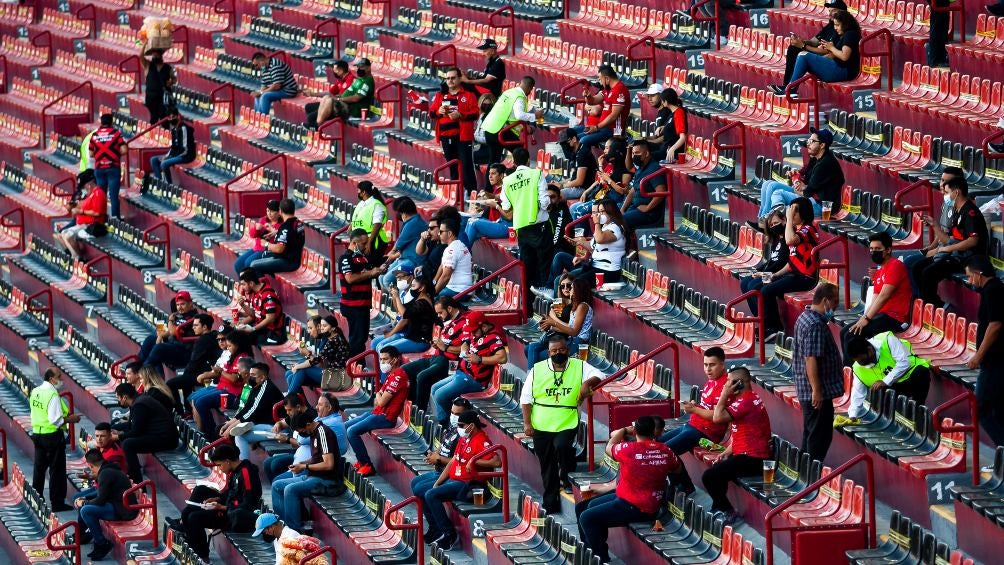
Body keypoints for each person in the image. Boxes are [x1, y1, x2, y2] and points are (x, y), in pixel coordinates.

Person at [576, 416, 679, 562]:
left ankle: (602, 559)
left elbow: (609, 447)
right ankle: (593, 552)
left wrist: (624, 430)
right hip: (640, 500)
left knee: (587, 518)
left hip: (635, 507)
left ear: (635, 430)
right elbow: (677, 469)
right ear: (654, 432)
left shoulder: (628, 450)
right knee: (589, 506)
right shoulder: (665, 450)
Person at [521, 334, 603, 514]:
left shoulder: (579, 365)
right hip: (541, 422)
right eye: (553, 351)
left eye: (561, 350)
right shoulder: (538, 369)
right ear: (548, 352)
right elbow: (525, 399)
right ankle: (550, 503)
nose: (558, 353)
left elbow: (600, 374)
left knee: (562, 446)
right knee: (547, 465)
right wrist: (527, 424)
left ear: (567, 350)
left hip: (567, 418)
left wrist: (587, 383)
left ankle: (567, 477)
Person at [414, 410, 500, 549]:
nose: (458, 427)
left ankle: (449, 534)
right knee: (421, 489)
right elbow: (452, 462)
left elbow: (497, 462)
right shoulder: (463, 439)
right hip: (454, 479)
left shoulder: (482, 441)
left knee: (431, 494)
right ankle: (435, 528)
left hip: (467, 484)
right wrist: (437, 483)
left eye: (461, 425)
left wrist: (474, 461)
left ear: (471, 426)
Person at [701, 367, 773, 524]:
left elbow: (717, 417)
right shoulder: (750, 397)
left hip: (754, 459)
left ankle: (728, 511)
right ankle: (718, 507)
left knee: (710, 477)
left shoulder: (745, 402)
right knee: (718, 471)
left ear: (739, 383)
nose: (726, 385)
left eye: (729, 382)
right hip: (750, 454)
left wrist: (724, 395)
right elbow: (746, 431)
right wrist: (728, 450)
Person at [657, 347, 731, 493]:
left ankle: (685, 486)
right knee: (655, 445)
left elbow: (717, 417)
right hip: (693, 426)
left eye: (712, 365)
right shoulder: (711, 381)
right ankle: (677, 484)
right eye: (705, 365)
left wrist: (694, 410)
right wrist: (694, 406)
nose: (708, 369)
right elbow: (705, 407)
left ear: (722, 365)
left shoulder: (725, 386)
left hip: (706, 434)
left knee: (664, 453)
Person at [173, 443, 260, 562]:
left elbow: (248, 503)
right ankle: (184, 522)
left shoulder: (245, 472)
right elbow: (231, 492)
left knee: (194, 517)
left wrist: (222, 507)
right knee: (199, 491)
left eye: (219, 465)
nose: (219, 468)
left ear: (227, 461)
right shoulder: (234, 471)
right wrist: (217, 499)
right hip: (229, 506)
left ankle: (202, 556)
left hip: (236, 516)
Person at [910, 177, 989, 307]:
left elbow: (973, 241)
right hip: (955, 255)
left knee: (928, 273)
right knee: (917, 268)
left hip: (968, 259)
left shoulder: (970, 212)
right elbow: (949, 240)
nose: (944, 195)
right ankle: (927, 307)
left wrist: (947, 249)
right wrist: (935, 225)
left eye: (946, 193)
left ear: (956, 192)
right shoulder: (956, 212)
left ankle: (938, 308)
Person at [792, 283, 843, 462]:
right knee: (818, 439)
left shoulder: (804, 317)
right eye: (835, 301)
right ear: (825, 301)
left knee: (810, 435)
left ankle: (804, 473)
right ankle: (811, 480)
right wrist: (817, 390)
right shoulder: (815, 325)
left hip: (806, 389)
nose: (836, 306)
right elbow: (811, 358)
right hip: (815, 394)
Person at [271, 411, 344, 531]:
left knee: (290, 490)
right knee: (277, 485)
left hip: (327, 480)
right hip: (313, 476)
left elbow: (328, 464)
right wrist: (302, 463)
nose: (301, 433)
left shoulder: (323, 433)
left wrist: (305, 467)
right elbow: (316, 458)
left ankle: (293, 531)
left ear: (308, 424)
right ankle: (283, 527)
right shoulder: (313, 433)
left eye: (301, 430)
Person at [430, 311, 508, 425]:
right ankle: (445, 423)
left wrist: (480, 359)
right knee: (434, 389)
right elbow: (465, 342)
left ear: (484, 326)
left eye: (474, 330)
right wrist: (464, 349)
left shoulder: (493, 337)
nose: (472, 333)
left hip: (473, 380)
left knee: (440, 395)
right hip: (461, 373)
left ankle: (451, 424)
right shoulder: (476, 333)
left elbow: (502, 358)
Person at [841, 232, 911, 354]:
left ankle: (856, 370)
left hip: (895, 318)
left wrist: (867, 319)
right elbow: (875, 298)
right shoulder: (879, 271)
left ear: (888, 249)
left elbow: (884, 295)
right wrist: (864, 317)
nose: (874, 252)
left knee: (851, 336)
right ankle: (847, 371)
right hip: (882, 316)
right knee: (844, 332)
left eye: (878, 249)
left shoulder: (896, 265)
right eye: (872, 249)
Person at [345, 346, 410, 476]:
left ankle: (366, 465)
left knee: (352, 431)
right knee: (346, 425)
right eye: (381, 359)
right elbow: (378, 398)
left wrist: (379, 395)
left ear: (395, 360)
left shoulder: (398, 376)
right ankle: (361, 460)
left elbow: (380, 401)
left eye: (385, 359)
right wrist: (379, 396)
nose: (382, 363)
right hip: (377, 413)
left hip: (386, 418)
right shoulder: (391, 374)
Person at [760, 198, 819, 339]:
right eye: (791, 210)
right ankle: (770, 326)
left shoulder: (808, 229)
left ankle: (774, 329)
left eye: (795, 210)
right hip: (796, 275)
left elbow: (789, 240)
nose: (791, 213)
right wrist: (776, 275)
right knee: (767, 285)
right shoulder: (797, 230)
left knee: (766, 291)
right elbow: (792, 263)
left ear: (803, 213)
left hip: (807, 278)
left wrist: (788, 218)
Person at [754, 128, 842, 222]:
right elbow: (806, 176)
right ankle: (762, 219)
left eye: (812, 141)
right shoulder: (816, 158)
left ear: (822, 145)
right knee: (768, 184)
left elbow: (807, 192)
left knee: (777, 193)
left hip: (820, 206)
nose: (808, 144)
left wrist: (799, 187)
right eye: (809, 140)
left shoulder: (825, 164)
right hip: (810, 198)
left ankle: (768, 220)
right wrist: (797, 174)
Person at [902, 167, 965, 296]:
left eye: (947, 182)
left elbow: (950, 241)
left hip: (951, 255)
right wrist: (930, 246)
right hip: (941, 250)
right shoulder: (947, 202)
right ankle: (919, 302)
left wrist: (935, 249)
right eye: (942, 180)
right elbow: (943, 230)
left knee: (918, 268)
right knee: (908, 262)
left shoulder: (961, 208)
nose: (942, 185)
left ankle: (925, 303)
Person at [964, 256, 1004, 449]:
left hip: (995, 362)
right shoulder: (992, 289)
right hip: (993, 361)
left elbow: (995, 325)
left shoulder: (993, 291)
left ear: (979, 274)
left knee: (981, 409)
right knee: (997, 410)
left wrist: (978, 356)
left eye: (970, 277)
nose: (969, 281)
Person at [843, 333, 931, 421]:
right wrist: (852, 415)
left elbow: (904, 362)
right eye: (858, 361)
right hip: (894, 386)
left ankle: (918, 412)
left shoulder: (887, 340)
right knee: (878, 390)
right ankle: (890, 420)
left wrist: (885, 381)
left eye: (862, 360)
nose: (861, 363)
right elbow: (857, 393)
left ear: (869, 350)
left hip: (911, 377)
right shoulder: (858, 368)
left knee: (922, 372)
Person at [502, 147, 553, 292]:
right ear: (528, 160)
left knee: (527, 264)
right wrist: (545, 206)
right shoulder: (536, 174)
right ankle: (544, 290)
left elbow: (506, 206)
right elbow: (544, 201)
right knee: (544, 260)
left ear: (514, 163)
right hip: (539, 224)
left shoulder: (507, 181)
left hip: (521, 227)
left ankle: (529, 301)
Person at [403, 297, 469, 410]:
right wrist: (438, 345)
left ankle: (420, 412)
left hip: (448, 362)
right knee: (405, 370)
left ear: (449, 308)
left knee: (422, 376)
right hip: (436, 357)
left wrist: (445, 347)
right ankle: (411, 408)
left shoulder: (464, 323)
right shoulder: (449, 321)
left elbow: (466, 349)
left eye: (440, 312)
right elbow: (445, 343)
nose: (438, 315)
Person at [773, 9, 861, 94]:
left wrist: (831, 48)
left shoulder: (850, 34)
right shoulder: (843, 35)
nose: (835, 28)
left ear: (845, 24)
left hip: (844, 71)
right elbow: (831, 55)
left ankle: (790, 89)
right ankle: (789, 87)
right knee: (801, 54)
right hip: (837, 68)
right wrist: (818, 60)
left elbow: (845, 56)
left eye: (837, 25)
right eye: (834, 25)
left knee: (803, 56)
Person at [30, 368, 81, 512]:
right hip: (52, 436)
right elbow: (55, 420)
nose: (61, 379)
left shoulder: (36, 391)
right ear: (52, 378)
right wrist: (72, 419)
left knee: (39, 470)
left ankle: (36, 500)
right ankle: (57, 503)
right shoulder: (52, 394)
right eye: (59, 376)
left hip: (37, 434)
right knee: (57, 471)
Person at [74, 448, 137, 560]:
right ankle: (83, 534)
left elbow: (100, 500)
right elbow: (101, 493)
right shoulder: (108, 469)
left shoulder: (105, 474)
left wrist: (84, 502)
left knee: (85, 510)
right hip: (118, 505)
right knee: (83, 504)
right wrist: (85, 498)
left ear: (90, 465)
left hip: (123, 510)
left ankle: (102, 544)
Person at [550, 200, 627, 290]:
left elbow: (600, 239)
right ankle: (550, 292)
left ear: (610, 211)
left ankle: (570, 303)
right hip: (594, 265)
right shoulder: (605, 226)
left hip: (607, 271)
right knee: (560, 265)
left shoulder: (616, 227)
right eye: (596, 212)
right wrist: (579, 242)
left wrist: (597, 223)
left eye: (601, 212)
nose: (596, 215)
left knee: (574, 283)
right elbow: (593, 246)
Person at [112, 382, 178, 484]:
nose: (118, 401)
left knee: (128, 444)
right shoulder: (137, 400)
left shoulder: (139, 405)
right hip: (156, 435)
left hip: (166, 439)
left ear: (124, 397)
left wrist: (118, 436)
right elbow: (131, 425)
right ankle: (127, 471)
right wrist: (112, 428)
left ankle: (137, 482)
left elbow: (136, 431)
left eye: (118, 398)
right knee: (117, 430)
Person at [189, 332, 251, 438]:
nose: (228, 348)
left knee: (201, 403)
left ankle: (211, 434)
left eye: (230, 345)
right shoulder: (232, 356)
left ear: (238, 345)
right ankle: (203, 432)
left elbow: (235, 379)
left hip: (233, 395)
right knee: (194, 398)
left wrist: (220, 371)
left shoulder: (242, 358)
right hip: (223, 389)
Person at [221, 362, 284, 459]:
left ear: (262, 377)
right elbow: (246, 408)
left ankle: (243, 466)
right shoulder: (256, 387)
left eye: (253, 375)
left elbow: (252, 412)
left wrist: (230, 428)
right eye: (250, 375)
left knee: (239, 435)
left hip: (276, 429)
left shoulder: (266, 388)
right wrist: (228, 424)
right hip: (262, 424)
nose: (250, 378)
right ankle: (239, 464)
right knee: (235, 432)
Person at [432, 67, 479, 195]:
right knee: (452, 167)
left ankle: (471, 195)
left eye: (453, 78)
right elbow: (431, 113)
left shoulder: (469, 95)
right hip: (445, 137)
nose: (450, 81)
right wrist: (438, 111)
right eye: (448, 78)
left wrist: (461, 115)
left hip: (463, 137)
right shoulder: (440, 95)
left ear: (459, 79)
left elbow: (475, 114)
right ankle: (456, 196)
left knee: (466, 166)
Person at [527, 275, 594, 366]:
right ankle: (532, 376)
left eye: (572, 288)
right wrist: (551, 325)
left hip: (578, 343)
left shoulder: (583, 306)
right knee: (530, 348)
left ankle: (532, 377)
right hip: (571, 341)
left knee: (537, 355)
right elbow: (569, 327)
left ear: (578, 290)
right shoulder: (576, 307)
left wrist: (554, 321)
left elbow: (574, 331)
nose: (569, 290)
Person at [481, 76, 544, 166]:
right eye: (530, 90)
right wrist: (535, 115)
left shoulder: (509, 92)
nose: (530, 92)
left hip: (489, 128)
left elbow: (510, 115)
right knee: (521, 155)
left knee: (493, 161)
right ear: (530, 88)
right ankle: (520, 177)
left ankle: (490, 180)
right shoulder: (519, 97)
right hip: (500, 130)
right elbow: (519, 115)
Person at [339, 229, 384, 357]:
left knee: (362, 338)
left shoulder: (362, 258)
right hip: (353, 306)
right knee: (357, 339)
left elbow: (369, 273)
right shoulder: (346, 258)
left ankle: (358, 366)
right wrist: (370, 273)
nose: (366, 246)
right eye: (364, 243)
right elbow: (350, 278)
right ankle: (356, 367)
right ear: (354, 243)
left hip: (363, 305)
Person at [780, 0, 845, 86]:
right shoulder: (830, 25)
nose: (830, 14)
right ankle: (786, 86)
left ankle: (790, 88)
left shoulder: (842, 28)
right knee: (794, 48)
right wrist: (802, 41)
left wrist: (803, 46)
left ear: (842, 12)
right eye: (829, 11)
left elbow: (831, 53)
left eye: (833, 11)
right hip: (824, 56)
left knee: (803, 55)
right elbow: (814, 42)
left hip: (831, 62)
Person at [572, 65, 629, 159]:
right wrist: (588, 96)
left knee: (583, 140)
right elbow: (593, 101)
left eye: (600, 79)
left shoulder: (619, 90)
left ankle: (585, 167)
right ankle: (576, 165)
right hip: (602, 128)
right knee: (573, 138)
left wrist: (596, 127)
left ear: (607, 78)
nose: (599, 81)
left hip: (613, 130)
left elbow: (614, 115)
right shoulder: (607, 90)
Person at [285, 315, 350, 393]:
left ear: (333, 328)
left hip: (337, 379)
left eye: (324, 326)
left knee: (301, 370)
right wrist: (301, 363)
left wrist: (305, 357)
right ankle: (296, 402)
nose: (321, 328)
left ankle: (289, 398)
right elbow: (320, 362)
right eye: (321, 326)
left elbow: (317, 362)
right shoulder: (331, 339)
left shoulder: (334, 341)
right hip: (330, 375)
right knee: (290, 374)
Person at [166, 314, 218, 411]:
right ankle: (188, 410)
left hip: (205, 374)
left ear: (205, 327)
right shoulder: (215, 335)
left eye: (196, 325)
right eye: (193, 325)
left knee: (170, 383)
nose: (193, 327)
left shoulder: (202, 340)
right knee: (185, 378)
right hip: (207, 371)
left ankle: (180, 412)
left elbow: (194, 361)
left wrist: (185, 374)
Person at [570, 138, 632, 219]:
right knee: (573, 208)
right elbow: (600, 179)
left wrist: (608, 180)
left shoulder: (625, 170)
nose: (604, 151)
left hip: (612, 201)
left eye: (607, 148)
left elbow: (623, 192)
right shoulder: (611, 165)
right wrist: (600, 165)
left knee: (578, 210)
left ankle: (583, 232)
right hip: (602, 196)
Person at [373, 275, 435, 354]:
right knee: (379, 345)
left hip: (420, 341)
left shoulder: (423, 303)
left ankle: (389, 365)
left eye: (413, 286)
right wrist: (395, 297)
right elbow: (400, 310)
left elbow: (405, 314)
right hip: (412, 337)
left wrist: (397, 297)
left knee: (384, 349)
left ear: (422, 288)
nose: (411, 289)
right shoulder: (418, 299)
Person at [137, 290, 198, 372]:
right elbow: (170, 332)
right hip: (174, 346)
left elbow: (173, 331)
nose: (180, 307)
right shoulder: (180, 316)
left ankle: (142, 372)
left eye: (183, 304)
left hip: (184, 353)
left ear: (190, 304)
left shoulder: (193, 318)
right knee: (151, 339)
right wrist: (161, 336)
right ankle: (136, 367)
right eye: (178, 305)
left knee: (159, 348)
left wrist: (170, 321)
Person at [740, 208, 788, 311]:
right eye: (771, 225)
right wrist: (758, 270)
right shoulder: (776, 239)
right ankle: (759, 317)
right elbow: (772, 260)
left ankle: (771, 323)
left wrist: (764, 273)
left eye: (776, 223)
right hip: (770, 272)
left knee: (754, 286)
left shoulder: (787, 239)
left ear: (784, 220)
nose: (774, 226)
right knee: (744, 282)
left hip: (780, 274)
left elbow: (781, 262)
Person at [263, 394, 315, 482]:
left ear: (298, 407)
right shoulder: (294, 415)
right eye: (286, 410)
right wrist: (278, 424)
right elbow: (283, 423)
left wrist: (287, 439)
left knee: (275, 465)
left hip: (306, 458)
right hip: (296, 453)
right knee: (267, 463)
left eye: (289, 410)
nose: (287, 413)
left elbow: (306, 442)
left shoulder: (311, 418)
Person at [55, 173, 106, 260]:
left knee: (68, 235)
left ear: (89, 185)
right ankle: (74, 256)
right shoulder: (90, 195)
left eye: (84, 186)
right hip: (83, 223)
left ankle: (78, 258)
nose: (84, 189)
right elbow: (81, 205)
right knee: (63, 233)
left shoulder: (98, 193)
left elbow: (97, 212)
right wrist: (74, 206)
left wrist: (81, 211)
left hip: (91, 225)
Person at [73, 422, 128, 503]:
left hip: (110, 490)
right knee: (76, 497)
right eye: (97, 436)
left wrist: (90, 476)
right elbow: (90, 443)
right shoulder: (101, 446)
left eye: (102, 436)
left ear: (110, 436)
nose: (99, 439)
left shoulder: (114, 455)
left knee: (82, 502)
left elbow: (108, 478)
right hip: (99, 486)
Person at [379, 196, 428, 288]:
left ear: (404, 213)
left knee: (386, 280)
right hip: (404, 257)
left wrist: (387, 259)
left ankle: (398, 300)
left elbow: (398, 245)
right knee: (381, 277)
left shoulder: (413, 223)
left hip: (413, 261)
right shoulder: (412, 221)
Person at [248, 198, 304, 276]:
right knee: (254, 262)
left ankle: (265, 288)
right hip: (293, 258)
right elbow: (291, 236)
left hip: (288, 261)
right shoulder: (298, 223)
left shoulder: (286, 226)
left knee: (254, 265)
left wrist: (266, 244)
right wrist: (277, 232)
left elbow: (279, 249)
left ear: (280, 211)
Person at [235, 269, 287, 345]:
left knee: (241, 340)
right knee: (234, 335)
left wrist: (253, 329)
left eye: (243, 284)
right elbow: (255, 314)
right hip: (262, 329)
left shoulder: (267, 294)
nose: (242, 288)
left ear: (251, 283)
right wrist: (243, 305)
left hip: (273, 333)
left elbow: (270, 319)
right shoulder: (254, 293)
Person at [622, 140, 666, 229]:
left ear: (646, 154)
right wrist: (623, 208)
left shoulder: (654, 169)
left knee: (621, 220)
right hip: (635, 207)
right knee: (612, 212)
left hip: (649, 214)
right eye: (633, 153)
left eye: (637, 153)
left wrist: (648, 208)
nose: (634, 156)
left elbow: (661, 192)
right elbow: (633, 190)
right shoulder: (640, 168)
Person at [89, 113, 126, 218]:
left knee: (101, 196)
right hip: (113, 168)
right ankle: (115, 220)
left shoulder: (94, 135)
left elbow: (91, 154)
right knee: (113, 196)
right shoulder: (116, 133)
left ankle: (102, 218)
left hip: (100, 169)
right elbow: (124, 150)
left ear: (101, 122)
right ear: (111, 122)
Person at [464, 163, 512, 244]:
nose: (490, 176)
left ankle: (464, 251)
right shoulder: (500, 190)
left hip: (505, 227)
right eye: (489, 173)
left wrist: (495, 205)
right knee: (469, 220)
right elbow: (495, 199)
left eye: (493, 173)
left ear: (502, 176)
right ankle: (463, 249)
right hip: (498, 223)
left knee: (473, 223)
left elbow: (508, 215)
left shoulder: (509, 191)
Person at [233, 199, 281, 275]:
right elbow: (252, 235)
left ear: (279, 212)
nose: (269, 213)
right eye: (268, 211)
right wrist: (256, 228)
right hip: (257, 248)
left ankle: (259, 284)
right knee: (238, 264)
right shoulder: (263, 220)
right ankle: (246, 285)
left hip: (268, 251)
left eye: (272, 211)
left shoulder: (281, 225)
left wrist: (275, 231)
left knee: (249, 263)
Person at [149, 107, 195, 185]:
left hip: (186, 156)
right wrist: (167, 156)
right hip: (177, 155)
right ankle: (159, 184)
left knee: (164, 163)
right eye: (169, 117)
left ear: (177, 116)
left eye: (173, 117)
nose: (171, 119)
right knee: (153, 160)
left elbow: (185, 149)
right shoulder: (173, 129)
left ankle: (169, 186)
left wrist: (170, 157)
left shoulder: (184, 128)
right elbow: (173, 147)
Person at [303, 60, 355, 128]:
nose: (334, 71)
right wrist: (313, 94)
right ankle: (315, 125)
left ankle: (316, 125)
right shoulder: (340, 79)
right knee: (309, 107)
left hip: (344, 106)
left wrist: (334, 97)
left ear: (341, 71)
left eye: (335, 70)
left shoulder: (351, 79)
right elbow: (330, 92)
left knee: (311, 117)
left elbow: (343, 97)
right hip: (336, 103)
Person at [351, 181, 390, 265]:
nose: (357, 192)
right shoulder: (361, 203)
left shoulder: (376, 204)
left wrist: (369, 243)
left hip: (372, 240)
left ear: (364, 192)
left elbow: (377, 224)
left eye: (358, 190)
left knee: (371, 266)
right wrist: (351, 226)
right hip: (360, 240)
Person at [645, 86, 687, 163]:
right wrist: (663, 127)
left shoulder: (679, 113)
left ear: (666, 101)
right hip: (664, 147)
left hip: (671, 152)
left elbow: (683, 137)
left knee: (644, 157)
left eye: (662, 100)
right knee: (641, 145)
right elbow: (673, 125)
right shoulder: (673, 113)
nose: (661, 102)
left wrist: (672, 149)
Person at [433, 217, 473, 298]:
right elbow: (442, 265)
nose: (438, 234)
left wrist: (432, 294)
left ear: (449, 233)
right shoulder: (459, 245)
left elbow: (445, 277)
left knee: (431, 303)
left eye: (441, 232)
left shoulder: (452, 250)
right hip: (464, 290)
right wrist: (434, 282)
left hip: (458, 291)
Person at [556, 129, 599, 200]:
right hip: (577, 187)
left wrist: (561, 186)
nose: (564, 145)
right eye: (562, 144)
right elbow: (574, 178)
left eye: (566, 142)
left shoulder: (583, 153)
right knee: (552, 189)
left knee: (555, 194)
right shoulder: (576, 152)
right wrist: (558, 183)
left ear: (574, 139)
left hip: (584, 188)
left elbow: (579, 181)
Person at [139, 46, 175, 124]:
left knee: (164, 118)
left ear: (160, 56)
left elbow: (174, 79)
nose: (154, 57)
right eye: (153, 55)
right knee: (152, 118)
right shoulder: (148, 65)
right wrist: (145, 44)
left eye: (156, 55)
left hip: (162, 97)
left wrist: (171, 82)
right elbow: (141, 57)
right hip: (150, 97)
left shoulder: (167, 67)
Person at [928, 0, 950, 67]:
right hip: (937, 6)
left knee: (943, 32)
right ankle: (934, 60)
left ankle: (941, 59)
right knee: (936, 32)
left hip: (944, 6)